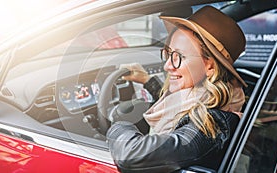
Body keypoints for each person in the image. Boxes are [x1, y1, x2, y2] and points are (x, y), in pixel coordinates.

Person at [106, 6, 247, 173]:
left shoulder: (212, 125)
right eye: (168, 53)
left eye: (179, 57)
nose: (167, 66)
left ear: (209, 66)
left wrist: (116, 123)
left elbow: (130, 155)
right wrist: (148, 81)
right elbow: (174, 105)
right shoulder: (203, 97)